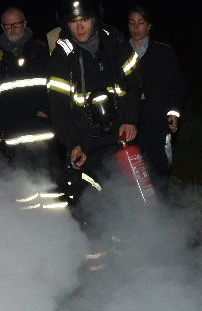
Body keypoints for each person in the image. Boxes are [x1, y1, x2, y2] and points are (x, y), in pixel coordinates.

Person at [46, 0, 141, 205]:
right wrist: (73, 143)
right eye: (73, 22)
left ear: (94, 19)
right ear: (66, 24)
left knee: (129, 197)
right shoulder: (61, 57)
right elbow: (58, 108)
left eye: (85, 20)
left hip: (119, 135)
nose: (79, 27)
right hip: (84, 142)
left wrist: (130, 119)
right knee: (87, 203)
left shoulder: (115, 44)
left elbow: (134, 85)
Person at [0, 6, 55, 176]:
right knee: (16, 185)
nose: (12, 30)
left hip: (41, 132)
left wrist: (46, 111)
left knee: (47, 182)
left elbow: (56, 86)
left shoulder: (42, 50)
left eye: (16, 24)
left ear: (25, 24)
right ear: (2, 27)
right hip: (10, 132)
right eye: (7, 25)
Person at [127, 4, 185, 196]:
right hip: (129, 120)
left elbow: (176, 85)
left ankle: (161, 217)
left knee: (158, 171)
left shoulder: (163, 52)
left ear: (149, 26)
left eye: (141, 23)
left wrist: (173, 113)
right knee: (132, 172)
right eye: (132, 23)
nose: (136, 28)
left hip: (157, 120)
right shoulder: (119, 53)